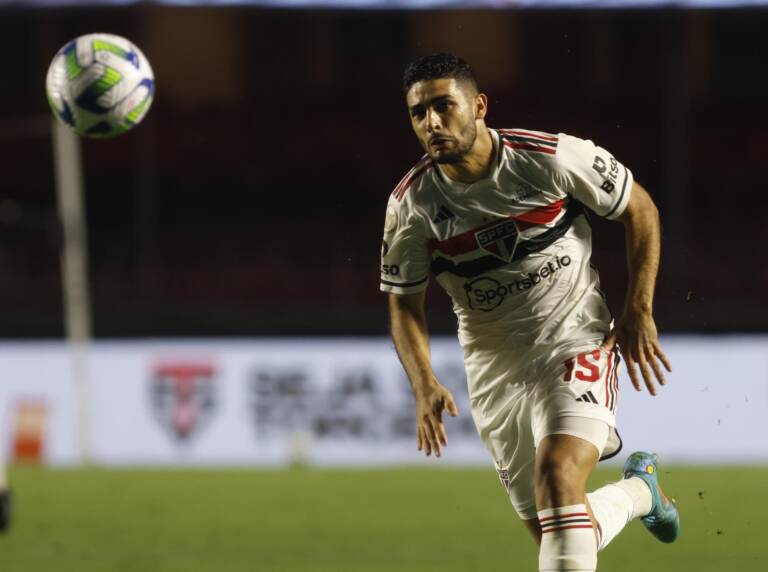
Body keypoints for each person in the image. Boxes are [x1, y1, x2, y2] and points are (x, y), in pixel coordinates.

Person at [380, 53, 679, 572]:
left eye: (444, 106)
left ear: (479, 106)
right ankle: (640, 493)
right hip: (494, 372)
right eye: (418, 112)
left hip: (574, 340)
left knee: (558, 478)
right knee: (559, 529)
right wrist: (423, 381)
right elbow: (404, 302)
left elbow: (641, 209)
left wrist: (638, 308)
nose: (432, 122)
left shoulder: (551, 158)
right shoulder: (412, 206)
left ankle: (636, 493)